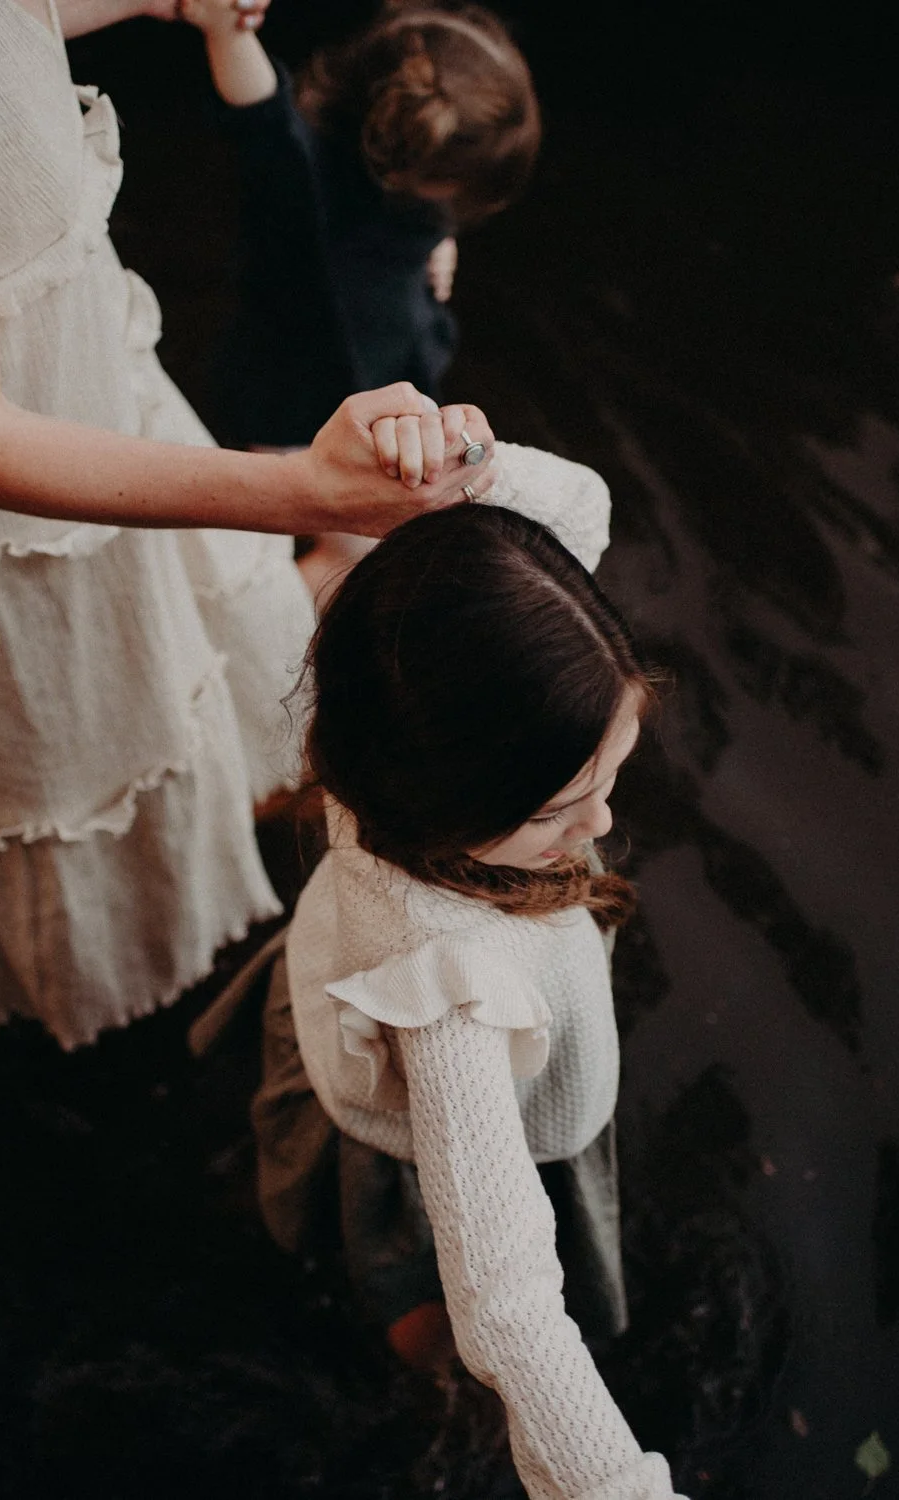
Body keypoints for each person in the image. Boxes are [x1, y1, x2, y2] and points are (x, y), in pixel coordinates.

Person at [0, 0, 498, 1055]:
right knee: (76, 756)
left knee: (192, 678)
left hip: (71, 386)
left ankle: (212, 877)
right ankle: (106, 1020)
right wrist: (314, 496)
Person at [252, 477, 683, 1500]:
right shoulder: (452, 996)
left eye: (610, 781)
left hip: (330, 990)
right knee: (430, 1300)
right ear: (454, 799)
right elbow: (508, 1294)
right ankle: (428, 1394)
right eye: (559, 812)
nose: (601, 830)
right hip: (418, 1145)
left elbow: (577, 507)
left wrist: (446, 454)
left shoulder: (394, 701)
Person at [180, 0, 541, 599]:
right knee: (340, 550)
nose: (448, 209)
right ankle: (256, 636)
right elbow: (259, 113)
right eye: (453, 194)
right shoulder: (301, 177)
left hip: (379, 369)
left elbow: (426, 212)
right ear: (410, 160)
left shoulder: (413, 195)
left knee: (357, 535)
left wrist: (439, 238)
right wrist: (226, 28)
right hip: (301, 395)